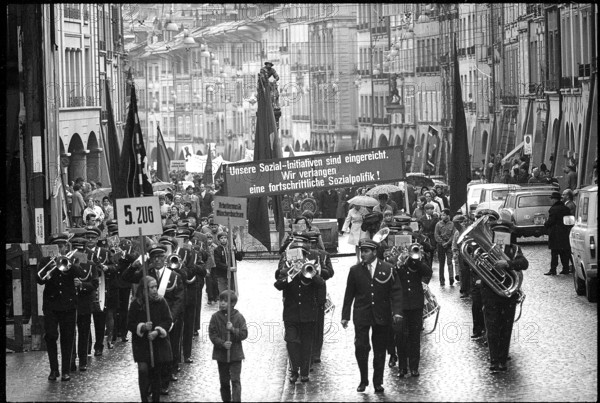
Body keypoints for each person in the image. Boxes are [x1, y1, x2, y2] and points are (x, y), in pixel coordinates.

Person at [341, 239, 404, 393]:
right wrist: (345, 316)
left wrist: (397, 312)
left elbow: (396, 292)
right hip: (362, 314)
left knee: (380, 349)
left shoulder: (388, 268)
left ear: (375, 252)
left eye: (366, 251)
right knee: (361, 347)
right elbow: (349, 294)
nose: (363, 254)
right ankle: (363, 380)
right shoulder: (355, 270)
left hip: (382, 314)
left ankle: (378, 381)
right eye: (361, 251)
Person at [122, 244, 185, 396]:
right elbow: (126, 278)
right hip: (148, 319)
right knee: (150, 357)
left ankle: (165, 382)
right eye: (154, 258)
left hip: (166, 319)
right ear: (151, 259)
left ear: (165, 258)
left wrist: (171, 319)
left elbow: (179, 299)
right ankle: (150, 385)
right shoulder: (145, 273)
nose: (157, 260)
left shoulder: (174, 276)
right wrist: (134, 265)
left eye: (160, 257)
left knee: (167, 354)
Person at [275, 240, 326, 383]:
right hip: (291, 315)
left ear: (305, 256)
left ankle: (304, 372)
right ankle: (293, 370)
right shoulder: (286, 271)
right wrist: (291, 275)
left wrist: (312, 274)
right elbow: (278, 285)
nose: (297, 258)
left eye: (300, 255)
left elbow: (321, 284)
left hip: (308, 315)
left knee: (306, 344)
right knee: (291, 342)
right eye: (294, 255)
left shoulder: (311, 268)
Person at [37, 234, 85, 381]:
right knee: (50, 336)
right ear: (52, 248)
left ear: (66, 247)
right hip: (51, 305)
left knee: (67, 337)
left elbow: (81, 274)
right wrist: (49, 268)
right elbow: (39, 280)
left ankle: (65, 371)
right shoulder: (46, 261)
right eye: (57, 246)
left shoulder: (72, 259)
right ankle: (53, 369)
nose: (61, 248)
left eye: (63, 246)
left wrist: (69, 264)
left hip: (68, 305)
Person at [482, 220, 528, 373]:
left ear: (508, 235)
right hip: (490, 294)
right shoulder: (486, 249)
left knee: (506, 328)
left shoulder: (514, 249)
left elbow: (524, 263)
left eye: (503, 233)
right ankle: (494, 360)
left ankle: (502, 360)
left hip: (508, 295)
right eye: (497, 233)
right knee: (492, 328)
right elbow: (475, 267)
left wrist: (508, 264)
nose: (500, 236)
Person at [127, 276, 173, 402]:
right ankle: (144, 398)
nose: (154, 290)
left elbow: (168, 320)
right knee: (143, 370)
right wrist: (142, 327)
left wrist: (157, 331)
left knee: (155, 372)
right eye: (151, 287)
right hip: (141, 344)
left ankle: (156, 398)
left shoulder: (161, 301)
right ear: (144, 289)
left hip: (156, 343)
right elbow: (129, 324)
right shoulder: (136, 304)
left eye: (155, 287)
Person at [393, 243, 432, 378]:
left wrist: (415, 259)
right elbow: (393, 277)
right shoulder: (399, 264)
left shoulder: (416, 263)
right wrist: (400, 262)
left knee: (415, 337)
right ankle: (402, 367)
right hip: (401, 305)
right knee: (400, 337)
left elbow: (428, 272)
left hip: (415, 305)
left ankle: (414, 367)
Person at [209, 290, 248, 402]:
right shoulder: (215, 317)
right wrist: (222, 343)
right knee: (224, 382)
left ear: (232, 303)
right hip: (221, 355)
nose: (222, 303)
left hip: (235, 354)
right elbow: (212, 334)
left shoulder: (239, 317)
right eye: (221, 300)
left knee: (235, 381)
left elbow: (244, 334)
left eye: (225, 301)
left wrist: (232, 329)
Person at [69, 236, 99, 373]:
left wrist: (82, 285)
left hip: (84, 303)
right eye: (75, 249)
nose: (78, 253)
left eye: (80, 250)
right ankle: (70, 360)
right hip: (69, 303)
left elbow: (94, 284)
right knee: (70, 334)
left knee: (83, 333)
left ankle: (82, 361)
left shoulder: (91, 265)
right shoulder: (66, 264)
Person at [544, 191, 572, 275]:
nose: (551, 200)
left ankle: (553, 270)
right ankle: (565, 269)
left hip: (555, 234)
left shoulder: (553, 209)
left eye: (552, 199)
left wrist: (545, 224)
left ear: (554, 200)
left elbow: (551, 221)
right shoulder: (566, 208)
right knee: (564, 252)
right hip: (565, 233)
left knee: (554, 253)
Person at [434, 209, 455, 286]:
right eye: (441, 215)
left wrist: (448, 242)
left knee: (450, 262)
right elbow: (436, 235)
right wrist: (442, 242)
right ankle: (441, 279)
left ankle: (451, 278)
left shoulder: (452, 224)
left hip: (449, 245)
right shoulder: (438, 224)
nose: (442, 216)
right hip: (441, 245)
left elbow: (453, 235)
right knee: (441, 263)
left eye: (443, 215)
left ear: (448, 216)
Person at [452, 215, 470, 298]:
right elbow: (454, 243)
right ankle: (464, 290)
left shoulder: (467, 230)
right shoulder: (457, 232)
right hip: (460, 254)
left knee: (467, 273)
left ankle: (468, 290)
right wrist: (455, 252)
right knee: (462, 272)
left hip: (468, 253)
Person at [419, 204, 439, 268]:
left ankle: (430, 266)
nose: (431, 211)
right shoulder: (422, 219)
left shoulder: (435, 218)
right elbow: (420, 229)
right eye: (429, 209)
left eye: (432, 209)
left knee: (432, 252)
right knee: (425, 253)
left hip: (433, 237)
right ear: (425, 210)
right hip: (425, 238)